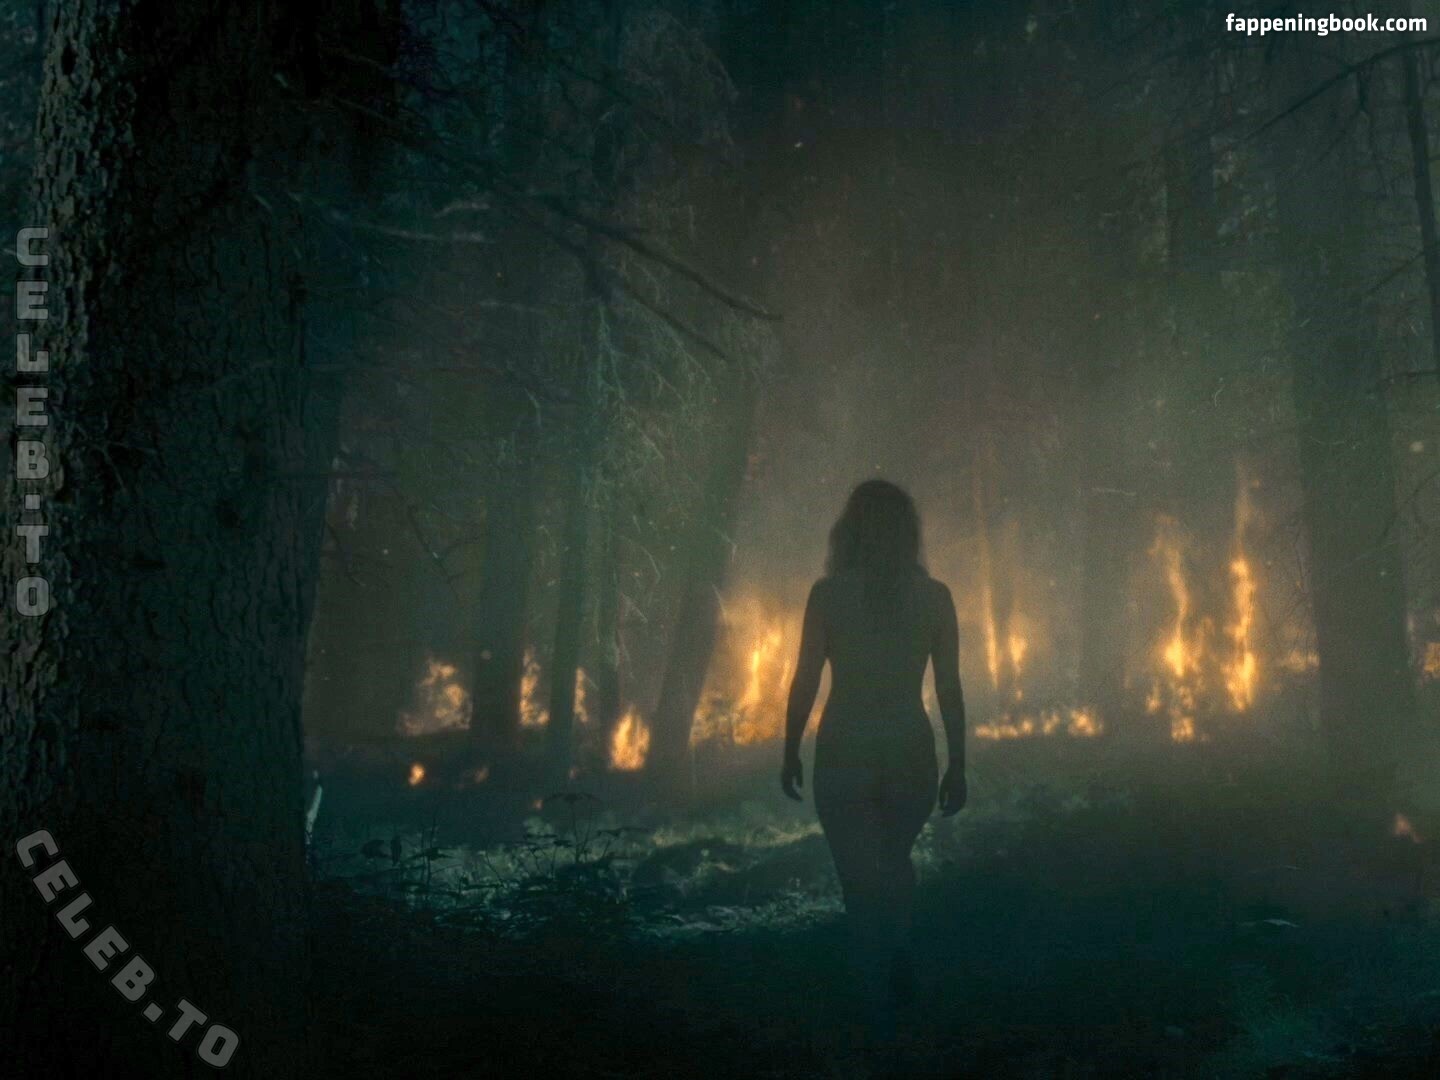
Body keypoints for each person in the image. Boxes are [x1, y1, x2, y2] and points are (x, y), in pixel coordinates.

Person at [780, 479, 967, 1038]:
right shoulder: (935, 597)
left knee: (857, 876)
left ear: (849, 530)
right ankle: (899, 949)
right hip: (909, 748)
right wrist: (958, 764)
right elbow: (950, 689)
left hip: (846, 749)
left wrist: (790, 748)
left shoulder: (828, 595)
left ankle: (871, 997)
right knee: (895, 858)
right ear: (909, 532)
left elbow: (806, 679)